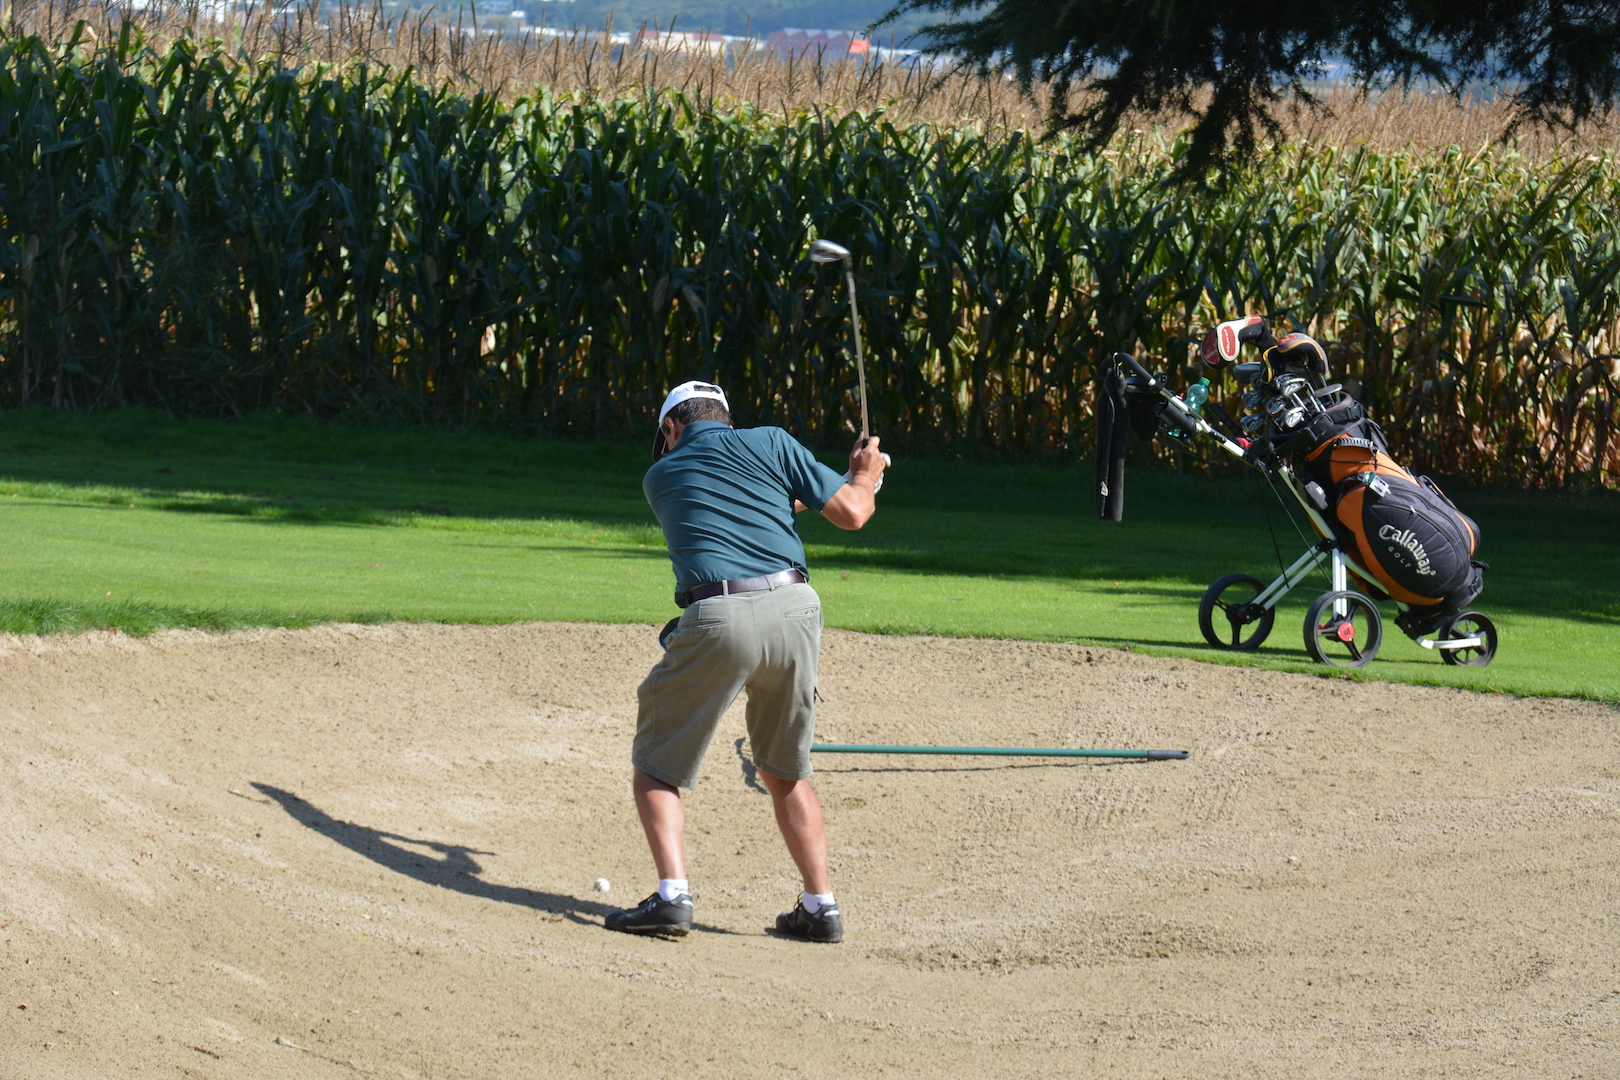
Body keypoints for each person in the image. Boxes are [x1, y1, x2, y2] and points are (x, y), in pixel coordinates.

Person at [605, 380, 886, 943]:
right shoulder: (774, 444)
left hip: (721, 617)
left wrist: (854, 481)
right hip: (797, 611)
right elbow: (852, 512)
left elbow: (761, 498)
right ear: (726, 417)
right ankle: (821, 906)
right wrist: (864, 476)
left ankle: (672, 898)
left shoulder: (660, 476)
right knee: (785, 771)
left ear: (672, 428)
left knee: (655, 766)